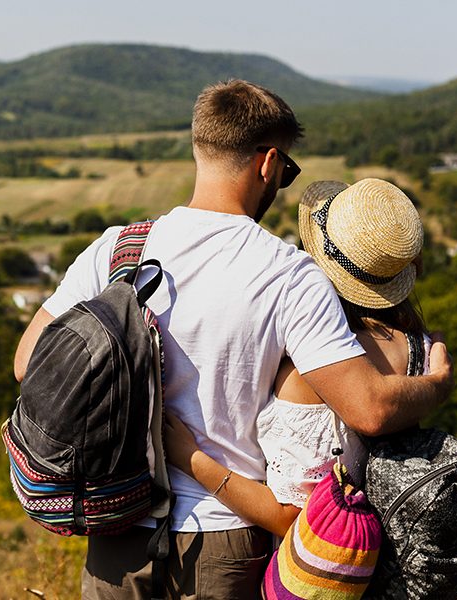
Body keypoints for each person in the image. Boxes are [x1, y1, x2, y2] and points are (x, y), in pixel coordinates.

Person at [13, 80, 453, 600]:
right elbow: (370, 410)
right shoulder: (288, 274)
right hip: (224, 541)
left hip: (118, 526)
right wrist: (439, 382)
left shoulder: (118, 249)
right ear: (268, 164)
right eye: (286, 171)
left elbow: (28, 363)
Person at [164, 177, 432, 550]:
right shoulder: (423, 348)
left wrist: (188, 457)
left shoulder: (308, 376)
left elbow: (293, 518)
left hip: (319, 573)